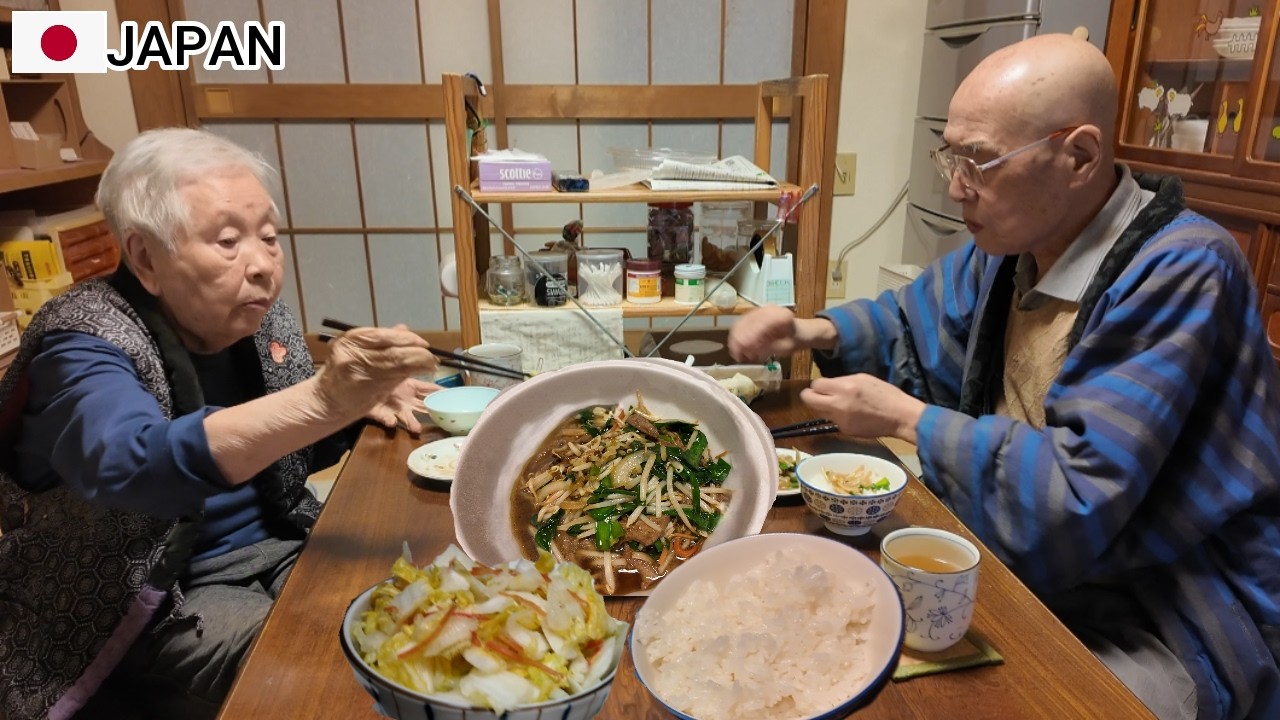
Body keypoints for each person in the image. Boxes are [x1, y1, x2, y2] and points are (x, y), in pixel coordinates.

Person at [730, 34, 1280, 720]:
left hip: (1168, 606)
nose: (956, 185)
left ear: (1079, 155)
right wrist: (816, 331)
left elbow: (1082, 488)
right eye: (951, 154)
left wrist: (908, 419)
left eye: (980, 161)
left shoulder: (1185, 269)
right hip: (1034, 559)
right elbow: (912, 316)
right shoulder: (1012, 246)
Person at [0, 128, 440, 720]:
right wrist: (322, 401)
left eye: (269, 237)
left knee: (427, 616)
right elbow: (127, 460)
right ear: (146, 258)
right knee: (344, 672)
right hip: (151, 595)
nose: (262, 265)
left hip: (281, 548)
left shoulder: (256, 320)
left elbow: (281, 455)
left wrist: (351, 410)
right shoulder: (81, 340)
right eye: (229, 241)